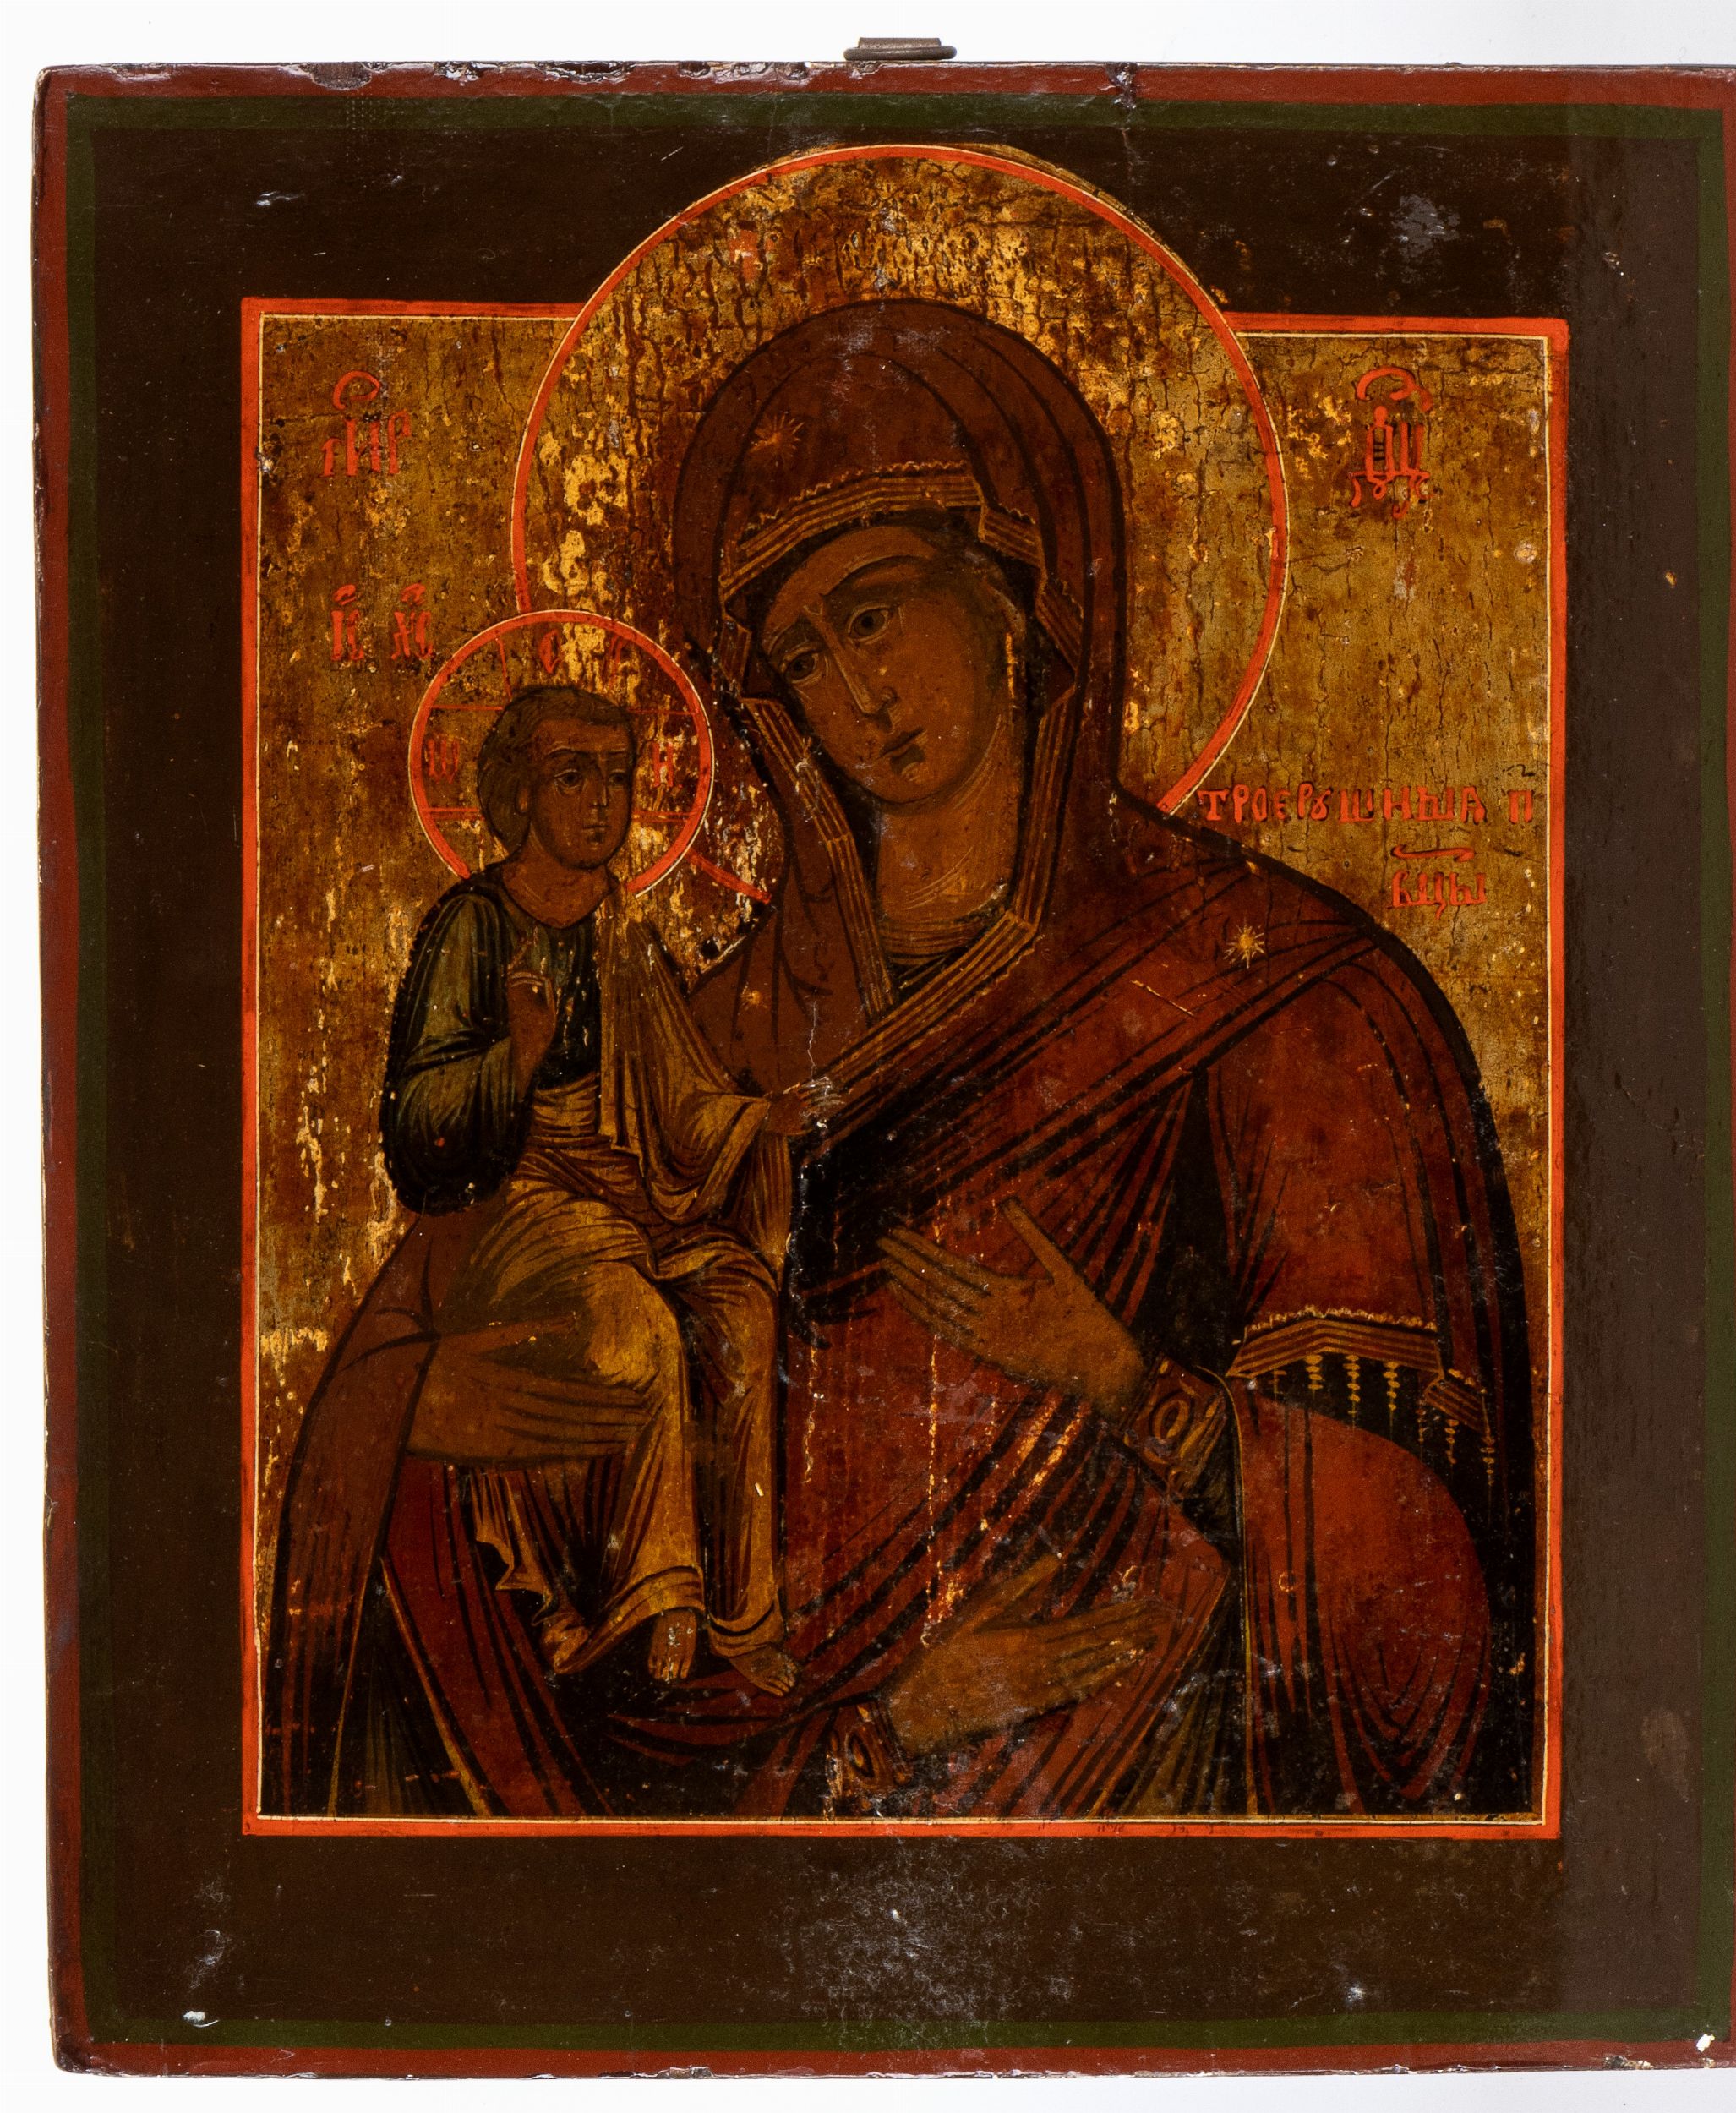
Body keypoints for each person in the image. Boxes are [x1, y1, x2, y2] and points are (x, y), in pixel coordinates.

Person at [631, 298, 1539, 1820]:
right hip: (825, 1789)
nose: (854, 692)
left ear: (1009, 597)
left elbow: (1422, 1591)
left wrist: (1130, 1384)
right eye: (801, 655)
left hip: (1164, 1782)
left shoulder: (1279, 991)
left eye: (874, 614)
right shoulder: (711, 1048)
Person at [265, 684, 814, 1817]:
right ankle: (651, 1596)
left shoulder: (620, 929)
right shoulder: (471, 928)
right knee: (633, 1325)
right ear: (519, 795)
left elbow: (674, 1098)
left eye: (617, 779)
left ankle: (742, 1609)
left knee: (740, 1304)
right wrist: (514, 1058)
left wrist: (759, 1122)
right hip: (516, 1203)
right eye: (573, 777)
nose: (602, 803)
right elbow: (416, 1132)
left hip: (628, 1195)